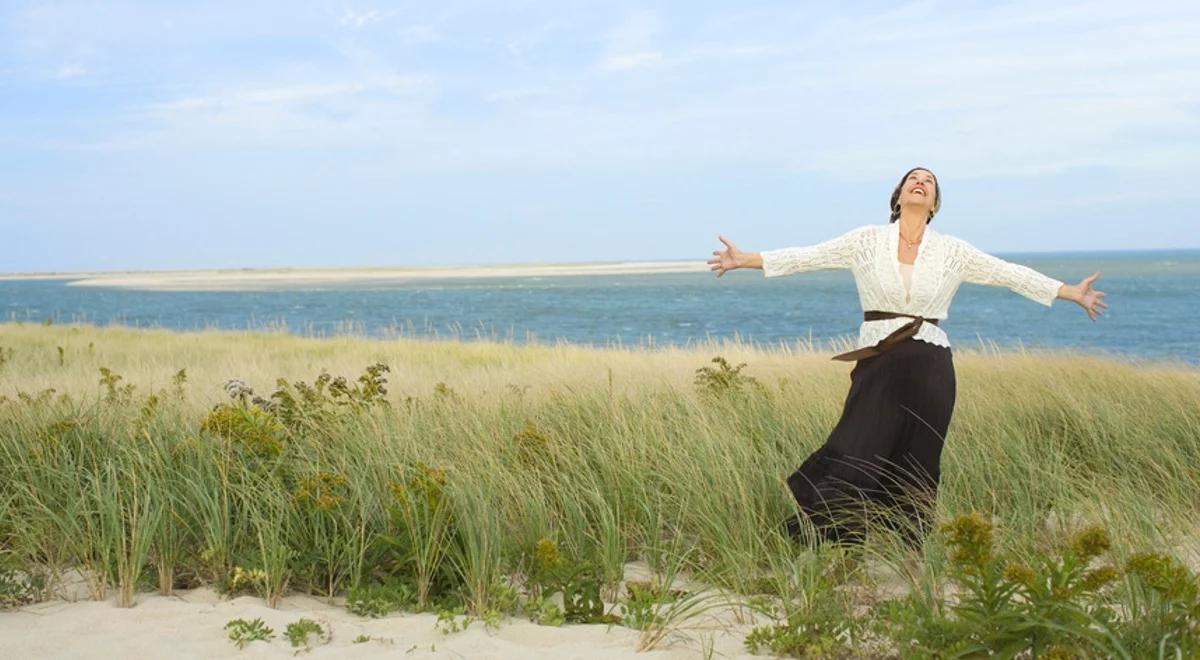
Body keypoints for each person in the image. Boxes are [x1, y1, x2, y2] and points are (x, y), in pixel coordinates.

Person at [707, 167, 1108, 551]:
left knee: (919, 459)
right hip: (880, 362)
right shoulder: (866, 240)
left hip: (931, 367)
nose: (920, 183)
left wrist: (1070, 292)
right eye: (912, 179)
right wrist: (745, 259)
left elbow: (1009, 274)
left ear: (934, 204)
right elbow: (808, 256)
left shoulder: (952, 251)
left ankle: (910, 550)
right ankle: (834, 535)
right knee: (856, 444)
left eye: (928, 182)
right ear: (898, 197)